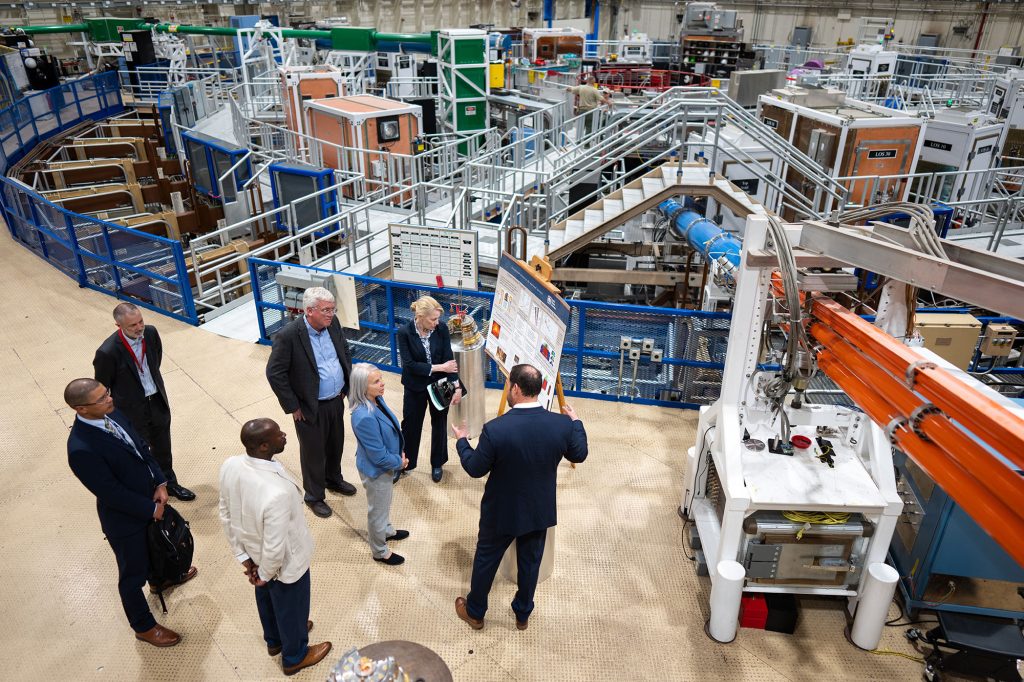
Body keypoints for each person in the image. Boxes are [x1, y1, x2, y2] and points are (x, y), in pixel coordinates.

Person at [451, 364, 588, 631]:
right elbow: (579, 454)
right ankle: (522, 614)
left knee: (486, 560)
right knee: (530, 563)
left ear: (515, 388)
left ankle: (476, 612)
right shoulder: (561, 425)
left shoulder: (496, 429)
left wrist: (462, 442)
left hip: (501, 511)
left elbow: (475, 468)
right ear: (540, 389)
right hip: (538, 511)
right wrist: (577, 422)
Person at [64, 377, 198, 647]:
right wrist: (150, 510)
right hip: (125, 519)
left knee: (156, 549)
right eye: (101, 398)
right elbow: (110, 492)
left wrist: (160, 482)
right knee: (132, 575)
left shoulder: (112, 414)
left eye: (107, 393)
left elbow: (140, 446)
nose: (110, 399)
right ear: (81, 409)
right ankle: (144, 626)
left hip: (151, 497)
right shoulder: (81, 448)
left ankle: (161, 580)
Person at [218, 418, 332, 676]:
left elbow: (226, 514)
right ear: (263, 446)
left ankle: (275, 640)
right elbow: (274, 545)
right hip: (285, 562)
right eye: (278, 434)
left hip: (254, 555)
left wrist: (244, 557)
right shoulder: (276, 493)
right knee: (292, 603)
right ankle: (295, 655)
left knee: (267, 598)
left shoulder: (231, 465)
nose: (284, 435)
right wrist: (266, 574)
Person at [266, 286, 355, 518]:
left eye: (333, 309)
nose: (331, 314)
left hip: (335, 399)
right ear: (309, 311)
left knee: (336, 445)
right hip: (308, 407)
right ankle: (314, 496)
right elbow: (275, 373)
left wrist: (345, 385)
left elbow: (344, 351)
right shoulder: (289, 336)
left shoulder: (332, 324)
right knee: (314, 453)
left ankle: (333, 480)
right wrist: (293, 406)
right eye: (326, 310)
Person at [93, 302, 195, 501]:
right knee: (139, 452)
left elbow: (155, 361)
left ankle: (170, 484)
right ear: (118, 325)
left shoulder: (151, 333)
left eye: (141, 321)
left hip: (156, 400)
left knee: (163, 446)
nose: (139, 327)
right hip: (131, 410)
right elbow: (102, 387)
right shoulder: (108, 352)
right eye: (133, 325)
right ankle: (149, 490)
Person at [349, 363, 410, 566]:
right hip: (377, 470)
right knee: (377, 511)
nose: (383, 384)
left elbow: (390, 428)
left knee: (383, 505)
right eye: (376, 382)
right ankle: (379, 550)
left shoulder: (376, 399)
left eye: (381, 378)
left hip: (387, 463)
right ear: (361, 387)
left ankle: (387, 531)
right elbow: (378, 457)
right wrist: (399, 462)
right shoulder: (363, 417)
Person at [396, 295, 463, 483]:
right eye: (433, 319)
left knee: (440, 423)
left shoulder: (441, 329)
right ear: (420, 316)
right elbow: (409, 365)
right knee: (410, 425)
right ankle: (405, 462)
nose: (437, 322)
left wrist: (456, 386)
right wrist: (440, 368)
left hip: (440, 384)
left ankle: (437, 464)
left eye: (437, 318)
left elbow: (449, 359)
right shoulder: (404, 333)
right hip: (414, 385)